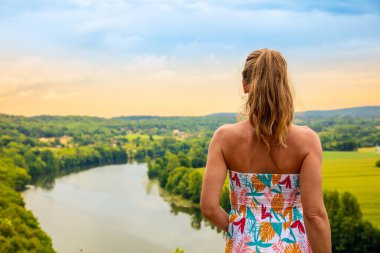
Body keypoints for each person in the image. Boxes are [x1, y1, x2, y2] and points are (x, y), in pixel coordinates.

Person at [200, 48, 331, 253]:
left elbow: (208, 207)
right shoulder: (308, 141)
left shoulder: (223, 138)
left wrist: (242, 231)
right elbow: (314, 215)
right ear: (284, 86)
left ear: (245, 85)